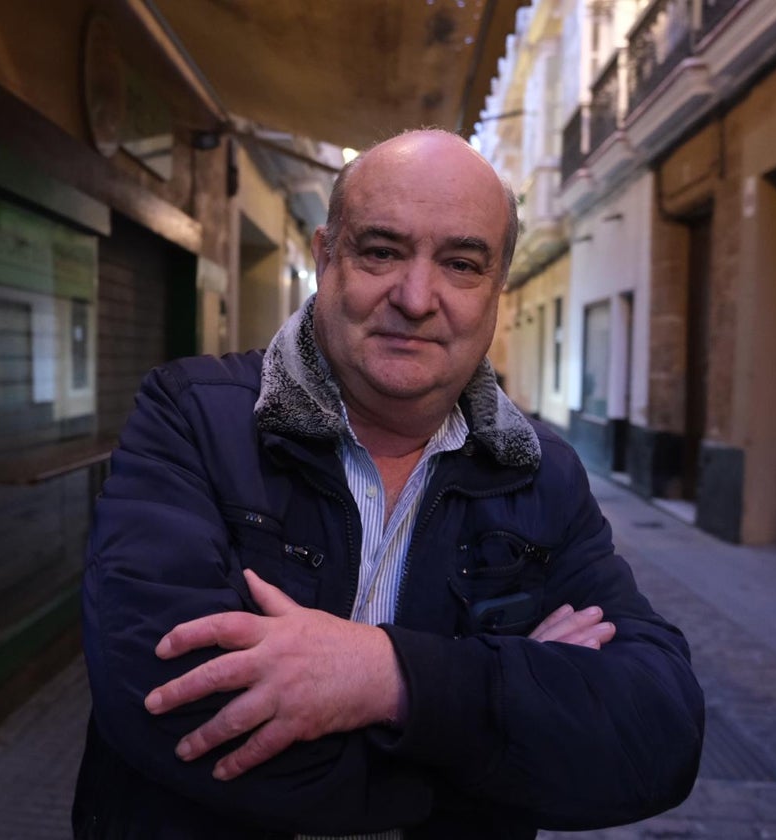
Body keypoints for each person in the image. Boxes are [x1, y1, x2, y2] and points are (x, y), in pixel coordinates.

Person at [72, 129, 704, 839]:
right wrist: (507, 731)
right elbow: (166, 702)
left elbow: (658, 733)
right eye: (382, 251)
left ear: (496, 289)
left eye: (462, 263)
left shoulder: (540, 474)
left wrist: (387, 676)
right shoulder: (193, 417)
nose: (415, 296)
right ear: (325, 259)